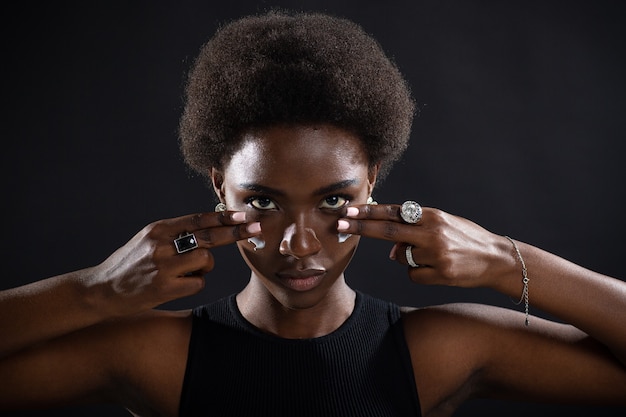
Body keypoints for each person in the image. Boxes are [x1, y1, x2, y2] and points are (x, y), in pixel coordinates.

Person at [1, 10, 624, 417]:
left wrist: (500, 259)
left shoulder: (440, 349)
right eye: (263, 202)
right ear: (221, 188)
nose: (300, 245)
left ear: (372, 183)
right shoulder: (154, 354)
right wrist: (94, 290)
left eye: (333, 200)